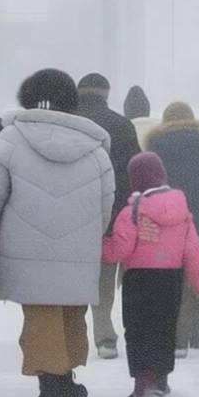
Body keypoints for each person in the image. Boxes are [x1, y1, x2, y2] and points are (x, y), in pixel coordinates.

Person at [0, 69, 115, 397]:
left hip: (26, 247)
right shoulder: (95, 149)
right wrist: (90, 236)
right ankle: (65, 379)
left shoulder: (8, 141)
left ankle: (50, 388)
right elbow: (106, 204)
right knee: (70, 311)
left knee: (40, 315)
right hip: (78, 248)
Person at [103, 152, 199, 397]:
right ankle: (161, 380)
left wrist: (101, 248)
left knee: (138, 329)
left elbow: (121, 249)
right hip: (170, 279)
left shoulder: (132, 213)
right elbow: (194, 250)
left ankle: (143, 383)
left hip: (139, 279)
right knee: (164, 328)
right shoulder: (182, 212)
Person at [145, 102, 199, 357]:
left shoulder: (153, 152)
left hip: (164, 224)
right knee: (198, 277)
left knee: (170, 277)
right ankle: (193, 330)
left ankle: (172, 330)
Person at [77, 73, 142, 361]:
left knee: (70, 280)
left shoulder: (66, 123)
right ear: (106, 93)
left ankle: (68, 339)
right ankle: (105, 337)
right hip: (114, 212)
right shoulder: (121, 124)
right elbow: (135, 169)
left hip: (71, 215)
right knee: (106, 279)